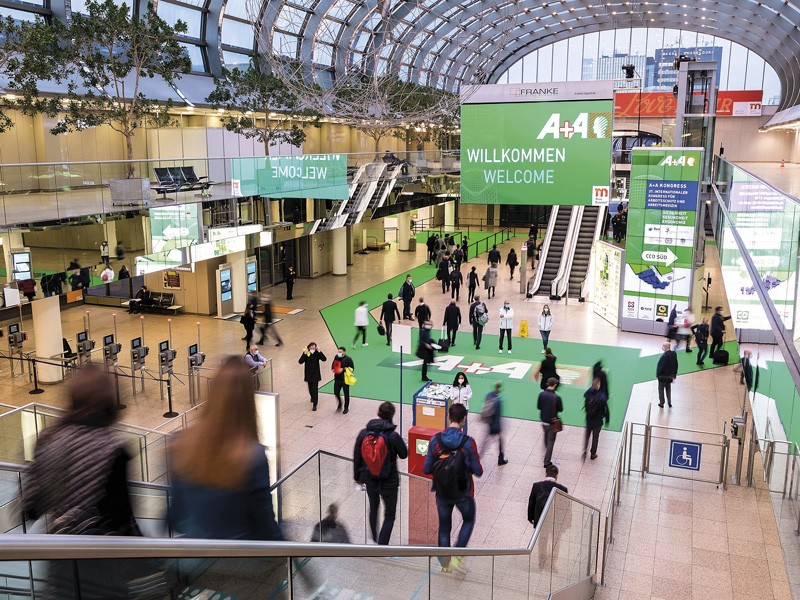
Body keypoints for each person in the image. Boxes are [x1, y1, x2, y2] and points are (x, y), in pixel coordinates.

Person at [23, 366, 145, 596]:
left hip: (61, 564)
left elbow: (30, 509)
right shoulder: (113, 450)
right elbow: (122, 519)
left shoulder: (48, 441)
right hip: (102, 570)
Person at [169, 357, 283, 541]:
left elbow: (175, 518)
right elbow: (266, 528)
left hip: (190, 559)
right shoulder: (252, 457)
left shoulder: (179, 443)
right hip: (236, 562)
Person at [423, 403, 483, 573]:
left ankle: (445, 565)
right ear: (464, 419)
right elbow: (478, 471)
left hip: (442, 492)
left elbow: (426, 469)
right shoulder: (468, 442)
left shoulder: (435, 440)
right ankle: (457, 555)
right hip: (463, 492)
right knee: (468, 520)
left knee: (444, 528)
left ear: (448, 417)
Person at [353, 402, 408, 545]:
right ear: (392, 415)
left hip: (370, 478)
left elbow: (357, 456)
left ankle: (374, 538)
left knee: (373, 507)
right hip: (389, 481)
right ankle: (382, 546)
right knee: (389, 515)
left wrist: (357, 478)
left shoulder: (364, 433)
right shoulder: (393, 436)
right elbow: (403, 454)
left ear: (378, 413)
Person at [537, 378, 563, 468]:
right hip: (552, 422)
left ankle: (546, 450)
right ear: (555, 385)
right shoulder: (557, 397)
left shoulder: (541, 394)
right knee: (551, 441)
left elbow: (539, 407)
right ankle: (546, 462)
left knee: (545, 435)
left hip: (543, 420)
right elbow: (561, 409)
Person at [583, 377, 610, 460]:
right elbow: (606, 409)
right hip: (598, 421)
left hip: (589, 420)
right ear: (598, 385)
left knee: (587, 436)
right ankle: (593, 453)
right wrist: (607, 419)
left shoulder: (588, 394)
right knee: (595, 437)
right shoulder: (601, 396)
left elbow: (585, 398)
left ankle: (585, 450)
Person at [480, 382, 507, 465]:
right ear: (499, 389)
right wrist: (499, 428)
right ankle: (500, 459)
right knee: (500, 440)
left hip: (489, 423)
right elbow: (498, 416)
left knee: (485, 442)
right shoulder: (498, 401)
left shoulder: (488, 395)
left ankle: (478, 457)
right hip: (495, 425)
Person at [299, 342, 327, 411]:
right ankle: (312, 397)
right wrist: (304, 354)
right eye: (311, 348)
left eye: (314, 348)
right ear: (308, 348)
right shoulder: (306, 353)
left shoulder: (317, 353)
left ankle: (315, 404)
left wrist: (320, 352)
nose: (312, 349)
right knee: (310, 389)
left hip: (316, 375)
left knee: (315, 390)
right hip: (308, 374)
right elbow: (300, 361)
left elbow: (324, 359)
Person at [331, 346, 355, 413]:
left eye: (340, 352)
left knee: (346, 394)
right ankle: (340, 403)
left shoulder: (348, 359)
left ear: (344, 352)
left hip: (345, 379)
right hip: (337, 378)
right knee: (336, 392)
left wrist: (343, 369)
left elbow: (352, 368)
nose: (339, 353)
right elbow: (333, 364)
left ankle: (346, 408)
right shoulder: (336, 357)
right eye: (338, 351)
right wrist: (333, 368)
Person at [656, 341, 678, 408]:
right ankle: (669, 402)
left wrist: (658, 374)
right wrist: (674, 374)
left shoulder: (664, 356)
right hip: (670, 376)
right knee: (668, 389)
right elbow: (676, 364)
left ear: (665, 347)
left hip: (663, 377)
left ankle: (661, 403)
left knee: (661, 390)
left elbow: (660, 367)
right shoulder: (674, 354)